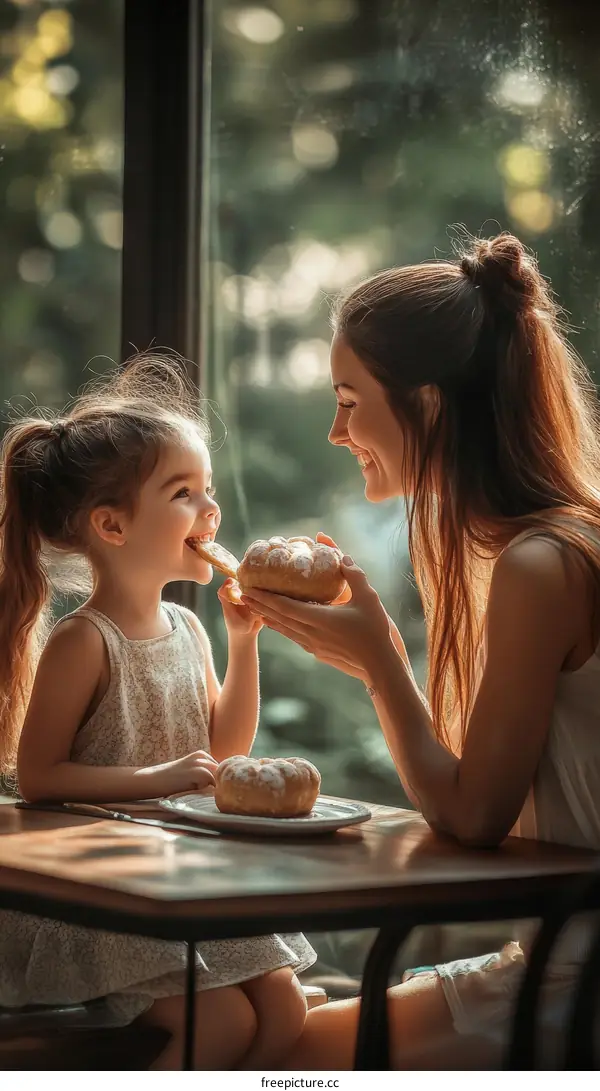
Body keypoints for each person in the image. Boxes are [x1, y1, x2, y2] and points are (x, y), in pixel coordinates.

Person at [240, 232, 600, 1069]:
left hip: (576, 979)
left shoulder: (541, 564)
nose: (335, 431)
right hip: (550, 950)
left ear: (429, 406)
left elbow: (473, 815)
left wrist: (380, 664)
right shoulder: (548, 546)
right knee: (282, 1027)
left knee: (275, 1055)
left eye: (349, 399)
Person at [0, 355, 315, 1070]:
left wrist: (243, 640)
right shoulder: (85, 640)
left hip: (179, 883)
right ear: (112, 526)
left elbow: (223, 751)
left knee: (288, 1008)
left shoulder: (189, 627)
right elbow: (42, 777)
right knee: (225, 1026)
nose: (212, 511)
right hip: (108, 902)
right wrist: (156, 775)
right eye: (184, 493)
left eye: (208, 490)